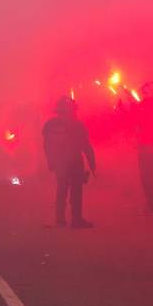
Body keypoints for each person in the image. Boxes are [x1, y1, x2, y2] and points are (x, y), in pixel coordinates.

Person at [42, 97, 97, 228]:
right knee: (76, 192)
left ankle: (60, 220)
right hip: (75, 162)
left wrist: (51, 162)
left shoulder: (50, 125)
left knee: (61, 190)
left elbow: (47, 146)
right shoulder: (77, 125)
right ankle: (76, 220)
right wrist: (92, 163)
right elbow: (86, 146)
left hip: (60, 163)